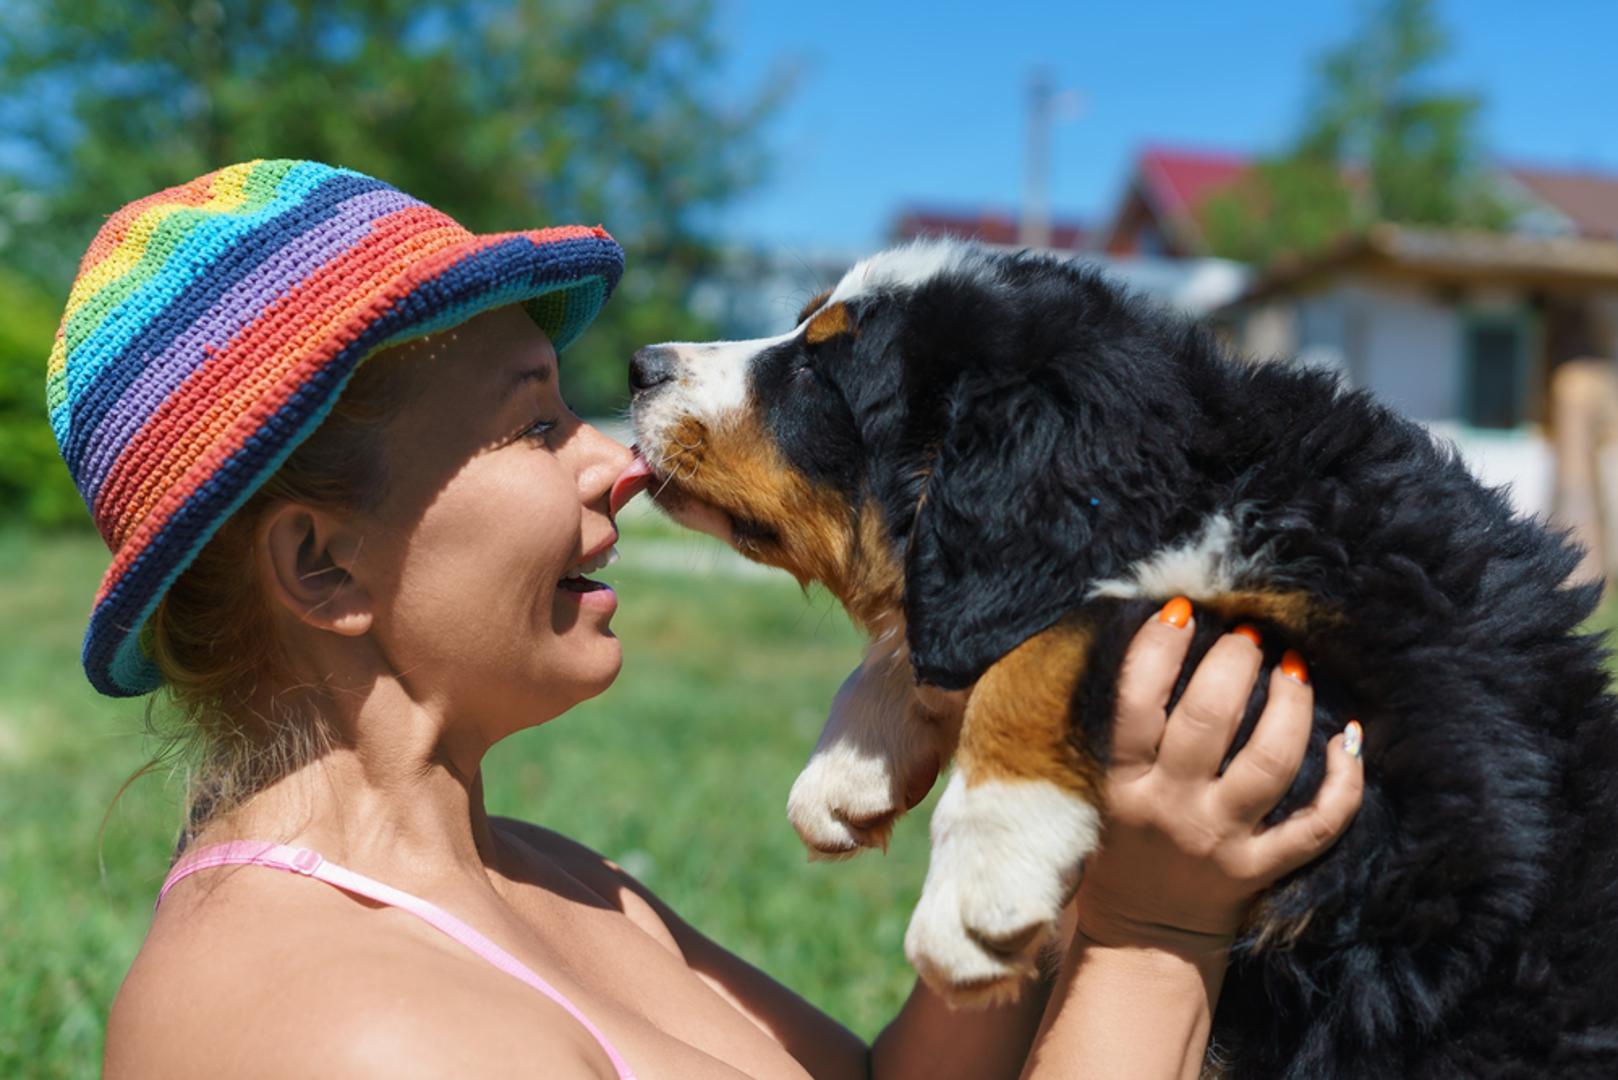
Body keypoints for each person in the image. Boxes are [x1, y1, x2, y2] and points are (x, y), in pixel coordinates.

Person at [51, 161, 1363, 1078]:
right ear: (320, 565)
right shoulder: (334, 1024)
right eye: (531, 425)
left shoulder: (553, 877)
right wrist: (1155, 937)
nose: (616, 463)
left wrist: (1057, 834)